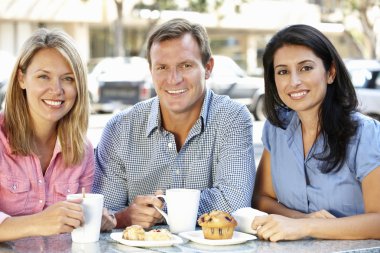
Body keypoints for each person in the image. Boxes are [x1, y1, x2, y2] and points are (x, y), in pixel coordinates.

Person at [93, 18, 256, 229]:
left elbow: (235, 202)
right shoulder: (120, 128)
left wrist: (162, 207)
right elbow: (105, 213)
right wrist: (126, 216)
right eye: (162, 67)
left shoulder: (232, 118)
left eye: (186, 65)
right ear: (151, 70)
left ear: (208, 68)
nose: (173, 79)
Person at [252, 24, 380, 241]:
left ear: (330, 73)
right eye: (283, 71)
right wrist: (299, 220)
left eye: (306, 68)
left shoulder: (366, 134)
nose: (294, 81)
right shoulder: (276, 129)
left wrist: (307, 227)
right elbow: (262, 198)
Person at [0, 28, 95, 241]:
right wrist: (37, 222)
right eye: (44, 76)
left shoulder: (83, 150)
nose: (57, 89)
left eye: (68, 79)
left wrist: (98, 220)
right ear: (21, 79)